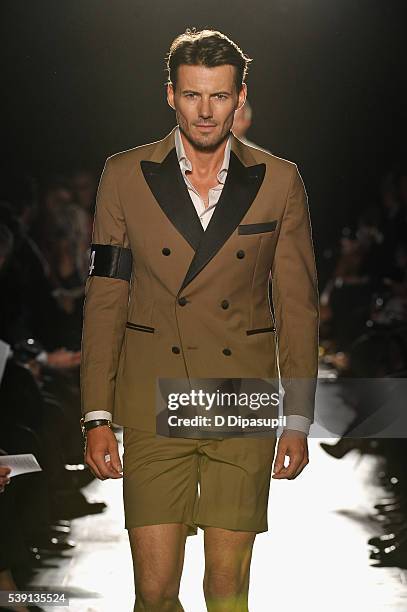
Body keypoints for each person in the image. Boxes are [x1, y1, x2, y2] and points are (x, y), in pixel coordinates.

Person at [80, 28, 319, 611]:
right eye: (192, 95)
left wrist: (298, 417)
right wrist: (96, 413)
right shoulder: (124, 176)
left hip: (242, 400)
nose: (205, 111)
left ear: (240, 96)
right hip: (153, 397)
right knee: (154, 592)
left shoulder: (279, 180)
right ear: (170, 95)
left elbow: (296, 304)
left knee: (226, 587)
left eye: (218, 96)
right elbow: (107, 297)